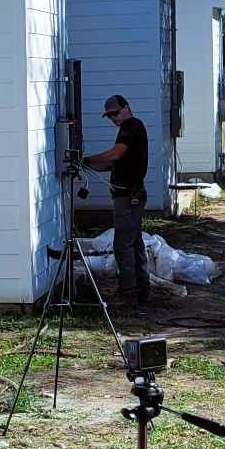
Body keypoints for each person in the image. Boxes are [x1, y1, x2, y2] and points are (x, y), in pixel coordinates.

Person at [83, 94, 150, 305]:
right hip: (131, 194)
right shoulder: (132, 128)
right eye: (110, 116)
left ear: (126, 108)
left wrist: (86, 159)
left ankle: (128, 294)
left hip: (128, 196)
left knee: (123, 245)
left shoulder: (131, 126)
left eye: (116, 113)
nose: (114, 118)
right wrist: (88, 165)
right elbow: (113, 164)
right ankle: (141, 290)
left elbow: (114, 155)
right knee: (135, 243)